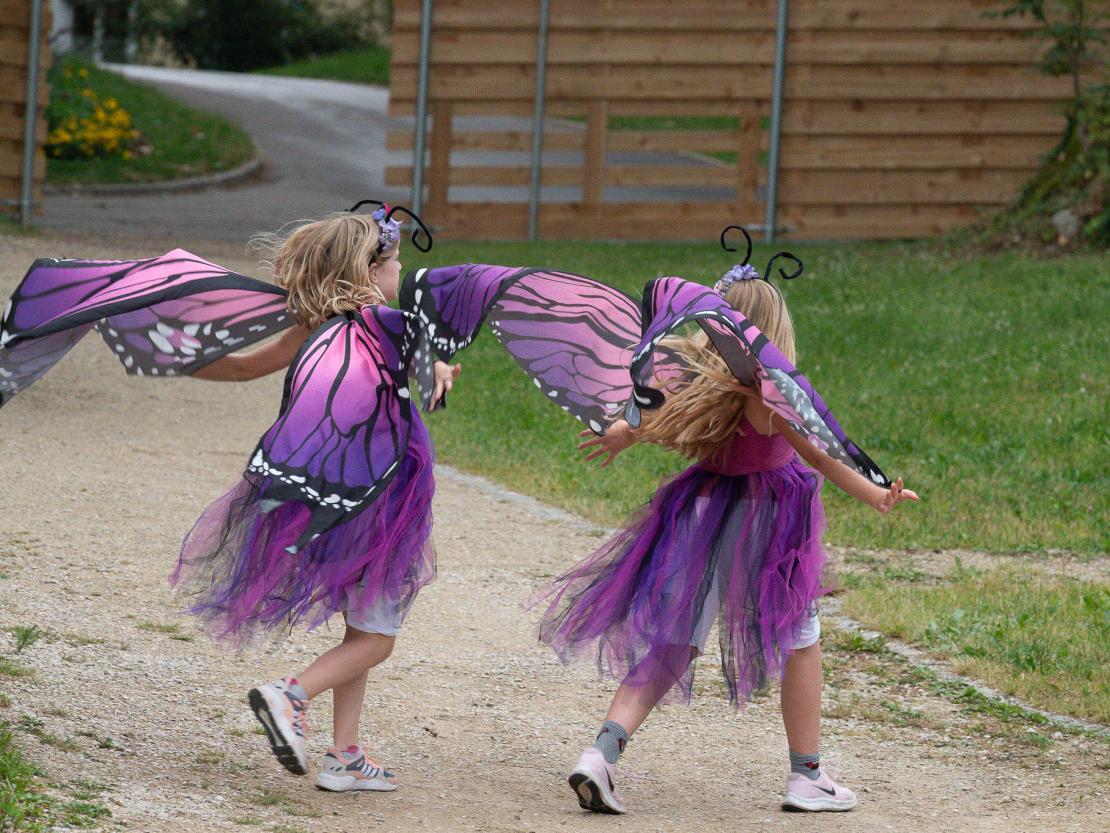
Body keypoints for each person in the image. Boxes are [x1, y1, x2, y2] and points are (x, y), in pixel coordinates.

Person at [536, 263, 918, 814]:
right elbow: (817, 453)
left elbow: (647, 420)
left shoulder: (695, 382)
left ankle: (601, 754)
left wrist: (622, 434)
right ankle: (807, 776)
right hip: (768, 521)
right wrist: (876, 493)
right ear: (772, 332)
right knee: (801, 638)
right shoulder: (768, 393)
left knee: (673, 640)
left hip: (700, 514)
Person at [174, 208, 460, 792]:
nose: (401, 274)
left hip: (328, 499)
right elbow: (429, 378)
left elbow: (244, 367)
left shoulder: (316, 325)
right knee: (377, 637)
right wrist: (441, 373)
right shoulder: (387, 322)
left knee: (359, 629)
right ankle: (289, 694)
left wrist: (181, 356)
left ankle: (345, 757)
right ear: (369, 270)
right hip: (381, 500)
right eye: (396, 264)